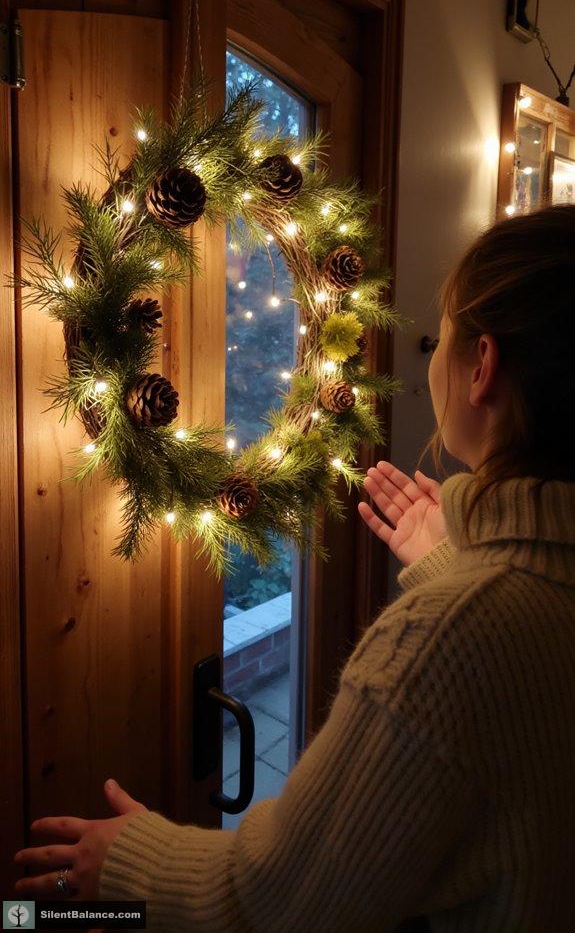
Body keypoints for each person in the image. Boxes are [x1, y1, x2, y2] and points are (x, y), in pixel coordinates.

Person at [13, 203, 575, 930]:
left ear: (482, 367)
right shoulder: (502, 607)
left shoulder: (448, 639)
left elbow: (285, 902)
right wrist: (454, 570)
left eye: (445, 333)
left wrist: (128, 862)